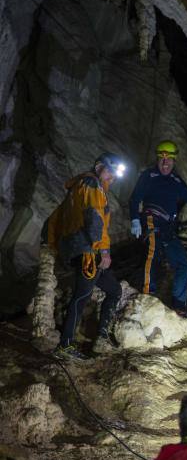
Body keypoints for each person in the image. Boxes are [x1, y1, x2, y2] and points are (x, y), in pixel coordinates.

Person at [44, 152, 126, 360]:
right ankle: (65, 345)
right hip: (89, 251)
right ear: (98, 167)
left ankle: (101, 338)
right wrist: (104, 251)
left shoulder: (77, 188)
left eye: (114, 175)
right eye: (109, 172)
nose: (111, 178)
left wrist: (56, 245)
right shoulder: (91, 184)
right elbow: (95, 219)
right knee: (80, 297)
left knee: (114, 290)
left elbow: (55, 219)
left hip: (78, 249)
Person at [129, 140, 187, 317]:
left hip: (169, 227)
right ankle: (148, 294)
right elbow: (134, 199)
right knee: (153, 254)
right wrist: (134, 219)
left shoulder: (175, 180)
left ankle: (179, 303)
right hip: (151, 220)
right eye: (162, 159)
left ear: (174, 160)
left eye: (168, 159)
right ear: (157, 159)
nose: (165, 163)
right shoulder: (148, 176)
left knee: (184, 264)